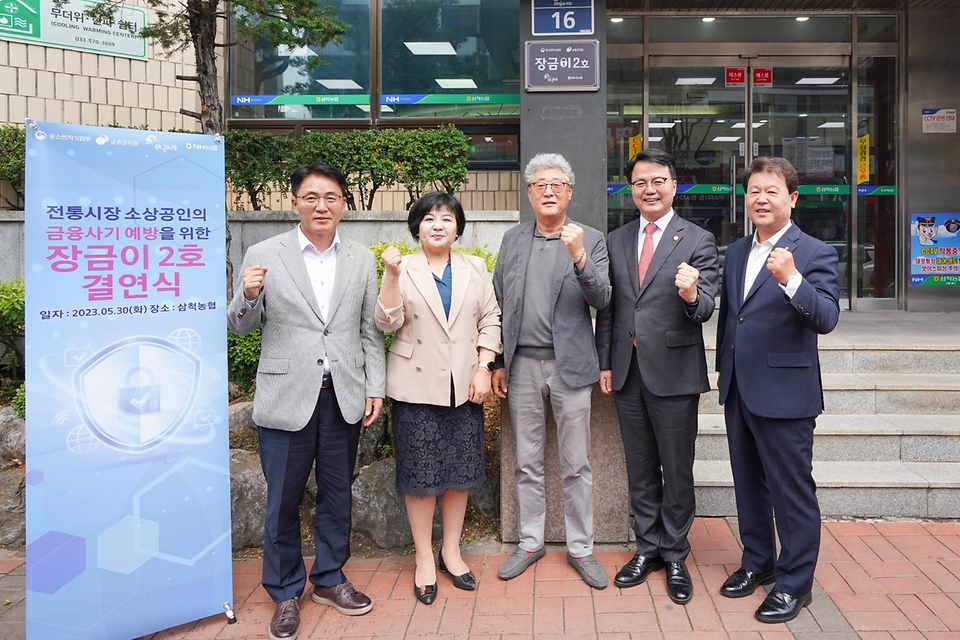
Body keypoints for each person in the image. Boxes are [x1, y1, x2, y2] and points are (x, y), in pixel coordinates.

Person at [227, 162, 385, 640]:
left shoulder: (359, 259)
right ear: (295, 201)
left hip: (343, 396)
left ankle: (329, 579)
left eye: (332, 197)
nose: (322, 205)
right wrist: (249, 296)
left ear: (344, 204)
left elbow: (369, 331)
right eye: (312, 197)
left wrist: (374, 386)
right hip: (285, 395)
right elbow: (239, 326)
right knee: (282, 501)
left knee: (338, 496)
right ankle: (284, 591)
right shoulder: (263, 252)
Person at [715, 157, 840, 623]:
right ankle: (758, 562)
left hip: (786, 392)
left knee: (791, 492)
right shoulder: (734, 252)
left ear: (792, 198)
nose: (761, 199)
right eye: (753, 191)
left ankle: (794, 584)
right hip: (740, 388)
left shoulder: (814, 253)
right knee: (749, 486)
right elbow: (733, 319)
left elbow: (826, 318)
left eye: (771, 191)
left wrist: (791, 279)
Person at [595, 149, 719, 605]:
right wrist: (605, 362)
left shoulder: (698, 239)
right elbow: (609, 308)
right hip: (627, 373)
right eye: (641, 182)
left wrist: (690, 294)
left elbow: (705, 307)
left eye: (658, 180)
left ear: (673, 185)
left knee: (676, 469)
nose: (650, 189)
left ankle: (675, 554)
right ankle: (646, 549)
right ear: (631, 189)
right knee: (640, 468)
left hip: (675, 373)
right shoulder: (617, 238)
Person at [374, 192, 502, 605]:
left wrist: (484, 366)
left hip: (464, 384)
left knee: (460, 471)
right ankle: (424, 558)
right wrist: (391, 277)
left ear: (458, 227)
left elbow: (489, 318)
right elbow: (386, 321)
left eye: (446, 218)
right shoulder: (402, 267)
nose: (438, 225)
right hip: (415, 386)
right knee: (421, 475)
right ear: (417, 227)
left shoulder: (475, 267)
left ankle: (451, 551)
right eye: (429, 219)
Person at [492, 153, 612, 589]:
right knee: (527, 460)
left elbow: (603, 298)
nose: (548, 190)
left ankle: (581, 548)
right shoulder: (513, 239)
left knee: (576, 463)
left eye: (557, 184)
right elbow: (499, 301)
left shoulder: (590, 238)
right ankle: (529, 541)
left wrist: (579, 257)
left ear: (570, 191)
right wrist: (498, 360)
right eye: (540, 184)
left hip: (571, 366)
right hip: (522, 364)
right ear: (528, 193)